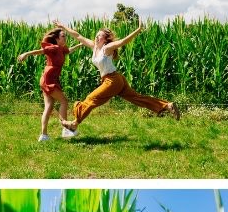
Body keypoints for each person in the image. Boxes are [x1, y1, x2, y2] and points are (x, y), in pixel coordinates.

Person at [51, 21, 180, 132]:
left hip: (112, 80)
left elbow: (124, 41)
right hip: (115, 80)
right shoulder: (95, 47)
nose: (96, 38)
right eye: (96, 36)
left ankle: (74, 124)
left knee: (91, 98)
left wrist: (138, 30)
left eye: (100, 36)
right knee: (136, 98)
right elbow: (78, 36)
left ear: (105, 39)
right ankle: (167, 106)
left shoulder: (107, 48)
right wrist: (63, 26)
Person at [17, 28, 83, 141]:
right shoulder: (54, 47)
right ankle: (66, 129)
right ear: (56, 38)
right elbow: (41, 51)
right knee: (64, 101)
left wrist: (80, 44)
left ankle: (44, 135)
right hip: (49, 79)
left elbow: (69, 51)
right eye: (63, 36)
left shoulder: (61, 49)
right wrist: (26, 54)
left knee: (49, 106)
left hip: (49, 78)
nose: (65, 38)